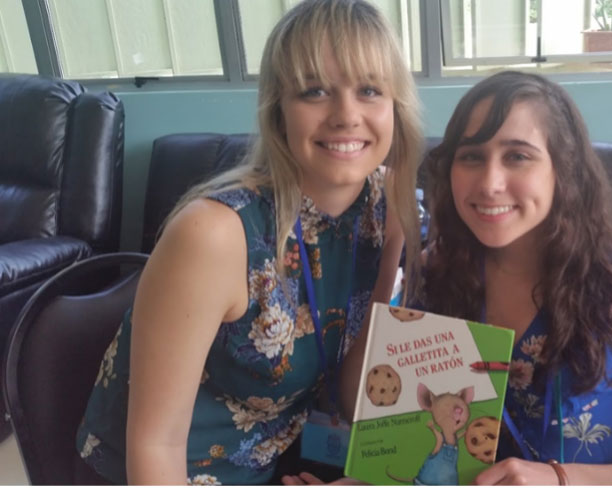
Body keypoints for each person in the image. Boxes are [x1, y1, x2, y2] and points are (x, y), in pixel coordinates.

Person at [74, 0, 423, 484]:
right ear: (279, 110)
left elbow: (350, 392)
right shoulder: (214, 234)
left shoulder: (388, 207)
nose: (347, 115)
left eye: (369, 89)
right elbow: (155, 446)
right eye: (315, 91)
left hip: (278, 465)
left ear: (395, 106)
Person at [417, 71, 612, 485]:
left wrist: (558, 479)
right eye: (471, 156)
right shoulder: (441, 273)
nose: (490, 183)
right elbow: (420, 427)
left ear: (564, 170)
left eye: (517, 156)